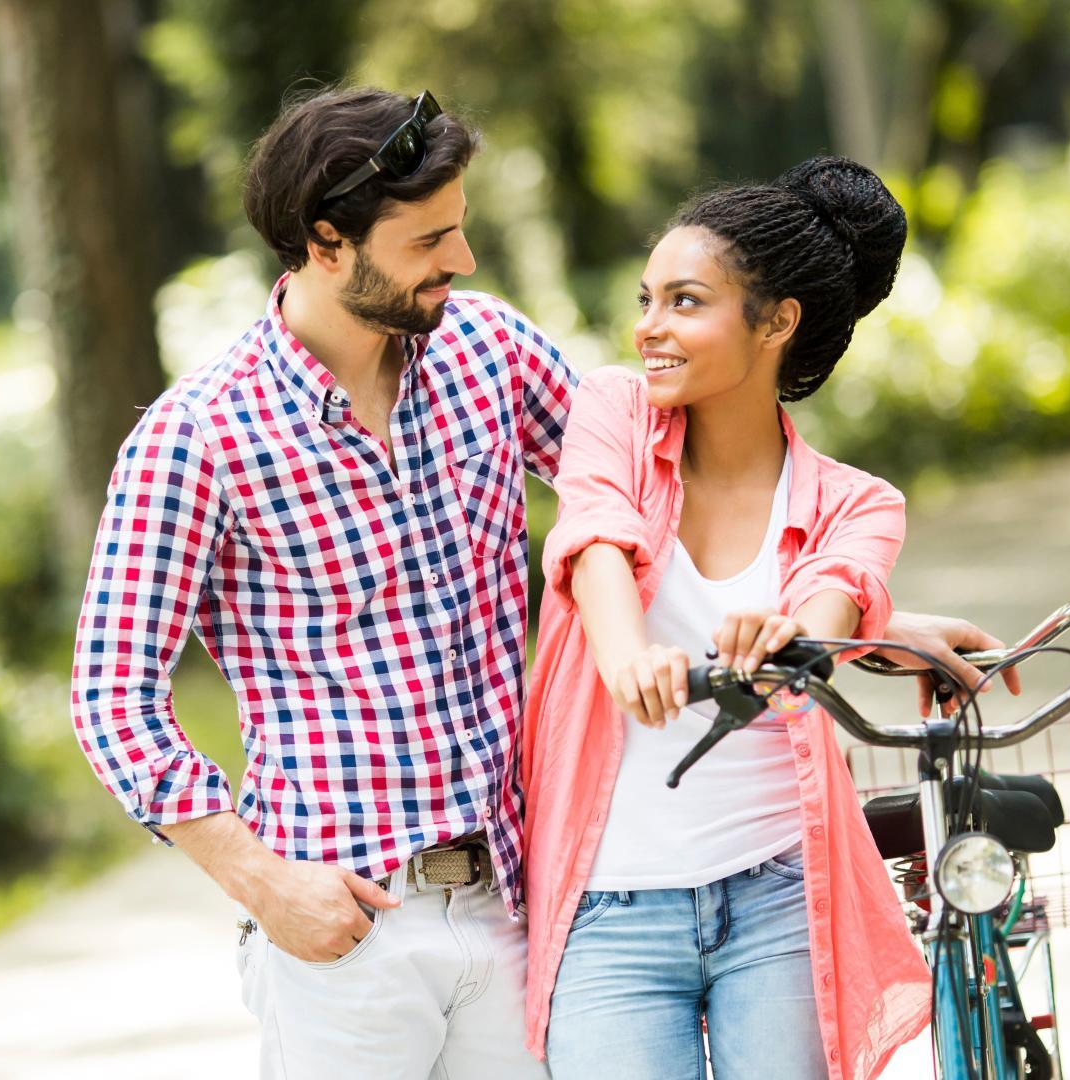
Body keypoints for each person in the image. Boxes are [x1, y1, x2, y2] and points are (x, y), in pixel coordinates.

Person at [69, 85, 1017, 1079]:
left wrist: (859, 623)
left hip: (519, 904)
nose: (462, 261)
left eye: (461, 230)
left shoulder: (487, 352)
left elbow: (651, 505)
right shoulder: (198, 438)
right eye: (430, 239)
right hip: (343, 923)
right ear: (327, 240)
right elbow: (111, 699)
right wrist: (261, 883)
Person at [521, 158, 959, 1080]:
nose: (648, 328)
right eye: (648, 299)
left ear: (776, 322)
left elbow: (829, 602)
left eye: (685, 302)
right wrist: (624, 653)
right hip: (609, 906)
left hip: (779, 897)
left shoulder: (858, 501)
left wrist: (792, 636)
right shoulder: (611, 411)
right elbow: (595, 532)